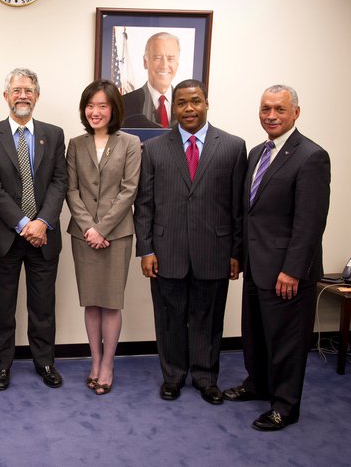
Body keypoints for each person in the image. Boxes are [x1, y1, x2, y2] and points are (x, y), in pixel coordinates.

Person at [223, 85, 331, 431]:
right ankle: (258, 385)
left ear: (296, 113)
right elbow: (248, 212)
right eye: (266, 108)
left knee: (286, 341)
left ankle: (285, 405)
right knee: (254, 333)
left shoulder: (311, 156)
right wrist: (238, 255)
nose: (271, 115)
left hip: (287, 272)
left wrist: (293, 270)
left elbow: (310, 222)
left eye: (280, 110)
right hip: (257, 265)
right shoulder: (257, 153)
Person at [133, 79, 246, 404]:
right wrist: (147, 249)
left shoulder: (233, 146)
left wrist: (237, 252)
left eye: (195, 101)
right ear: (174, 108)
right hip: (166, 252)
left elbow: (239, 207)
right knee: (169, 320)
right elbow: (144, 204)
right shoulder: (154, 148)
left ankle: (205, 377)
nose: (188, 109)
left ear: (206, 103)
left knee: (207, 320)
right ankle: (173, 377)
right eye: (181, 103)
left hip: (215, 251)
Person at [0, 68, 68, 390]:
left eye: (28, 90)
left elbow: (59, 182)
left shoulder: (54, 134)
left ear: (37, 96)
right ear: (6, 97)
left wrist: (42, 222)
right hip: (6, 238)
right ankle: (1, 366)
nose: (22, 95)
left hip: (44, 237)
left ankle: (44, 362)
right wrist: (23, 223)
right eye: (16, 90)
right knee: (1, 308)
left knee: (43, 306)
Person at [65, 80, 141, 395]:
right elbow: (71, 190)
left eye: (102, 106)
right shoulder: (75, 144)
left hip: (117, 235)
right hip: (83, 236)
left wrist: (103, 228)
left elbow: (129, 190)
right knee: (91, 302)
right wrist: (89, 228)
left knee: (111, 303)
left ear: (114, 109)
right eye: (90, 105)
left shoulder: (130, 143)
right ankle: (94, 361)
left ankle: (108, 364)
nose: (95, 112)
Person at [122, 32, 180, 128]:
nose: (164, 65)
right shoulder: (124, 103)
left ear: (177, 64)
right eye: (157, 58)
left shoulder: (187, 105)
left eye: (170, 59)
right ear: (145, 62)